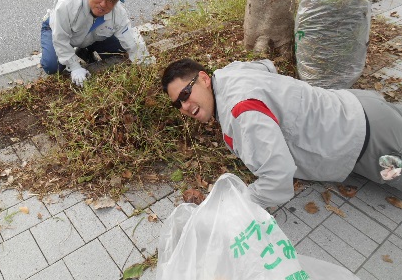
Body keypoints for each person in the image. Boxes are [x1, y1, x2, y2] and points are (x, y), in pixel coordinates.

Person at [161, 58, 402, 209]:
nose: (184, 106)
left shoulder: (241, 112)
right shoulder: (228, 73)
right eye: (177, 105)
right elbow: (266, 65)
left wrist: (234, 207)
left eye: (185, 94)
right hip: (359, 106)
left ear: (203, 78)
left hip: (370, 142)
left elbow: (278, 179)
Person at [40, 0, 155, 86]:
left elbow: (130, 38)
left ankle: (84, 51)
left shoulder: (118, 12)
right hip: (55, 29)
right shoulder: (67, 4)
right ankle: (76, 52)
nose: (103, 4)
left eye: (111, 0)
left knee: (121, 51)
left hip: (92, 36)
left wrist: (143, 61)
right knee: (52, 66)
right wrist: (74, 67)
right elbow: (60, 38)